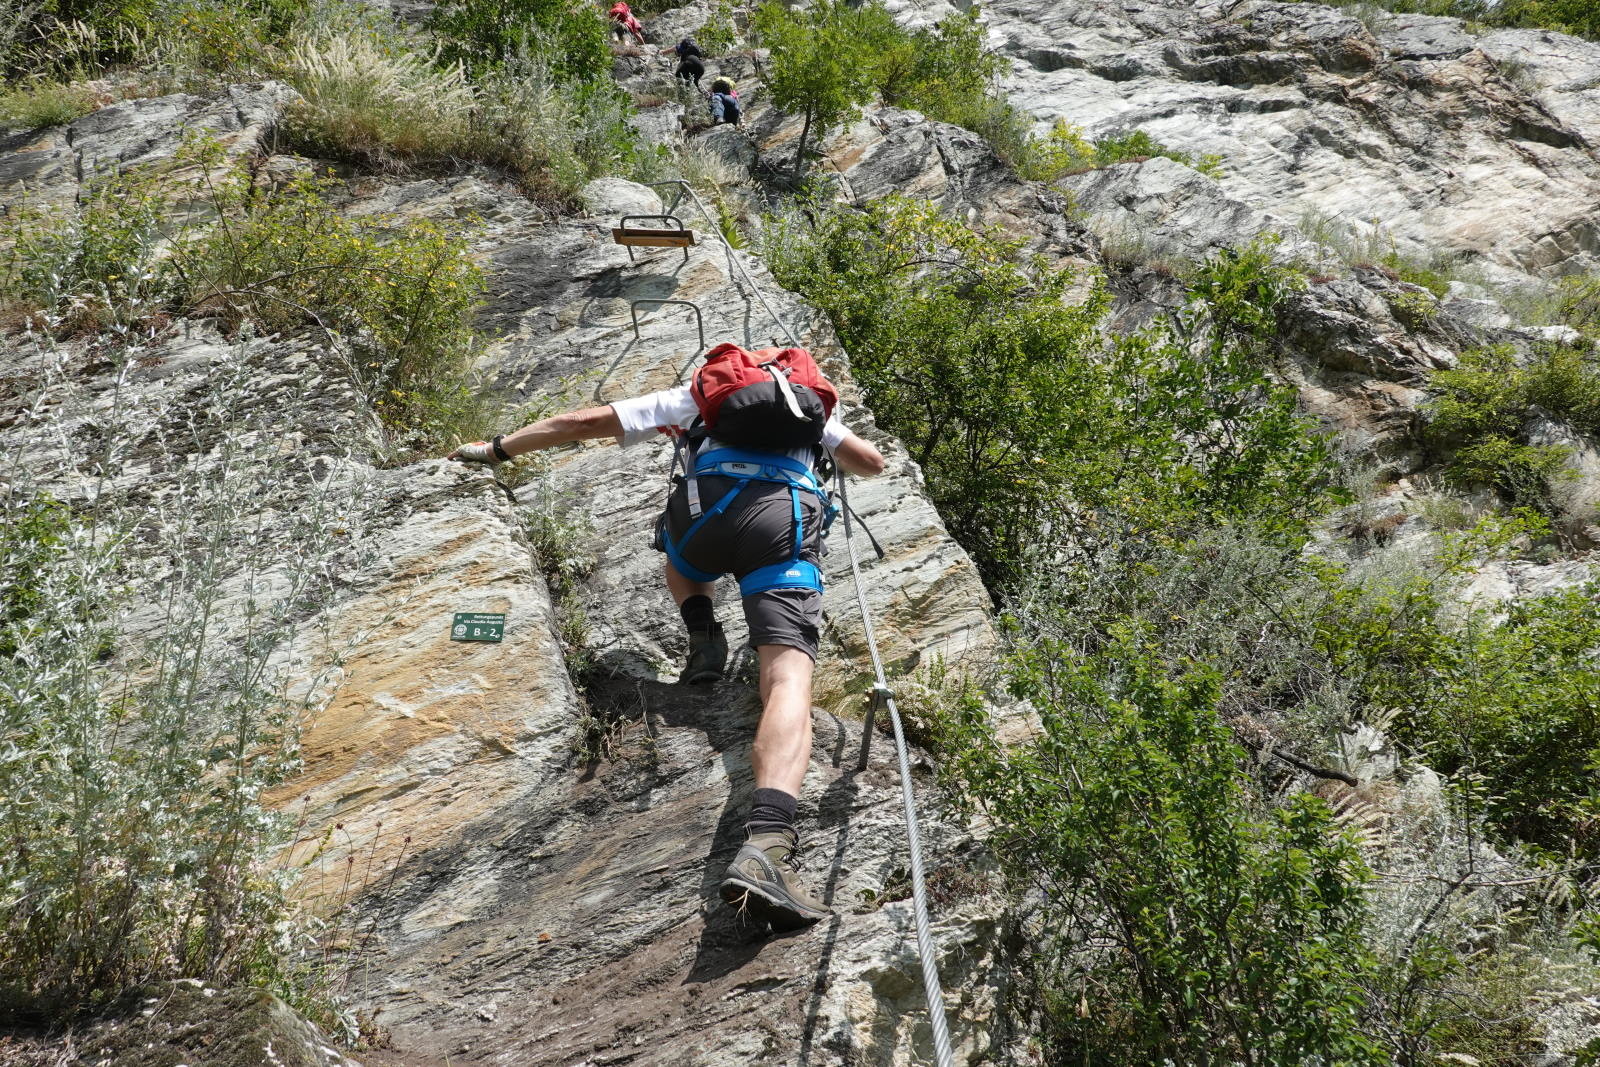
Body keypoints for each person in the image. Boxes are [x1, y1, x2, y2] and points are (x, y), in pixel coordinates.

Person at [448, 346, 887, 931]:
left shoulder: (699, 398)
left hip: (704, 519)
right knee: (787, 681)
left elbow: (580, 422)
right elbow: (871, 462)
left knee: (680, 557)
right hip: (781, 523)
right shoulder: (809, 410)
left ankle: (703, 631)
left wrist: (495, 449)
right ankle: (768, 843)